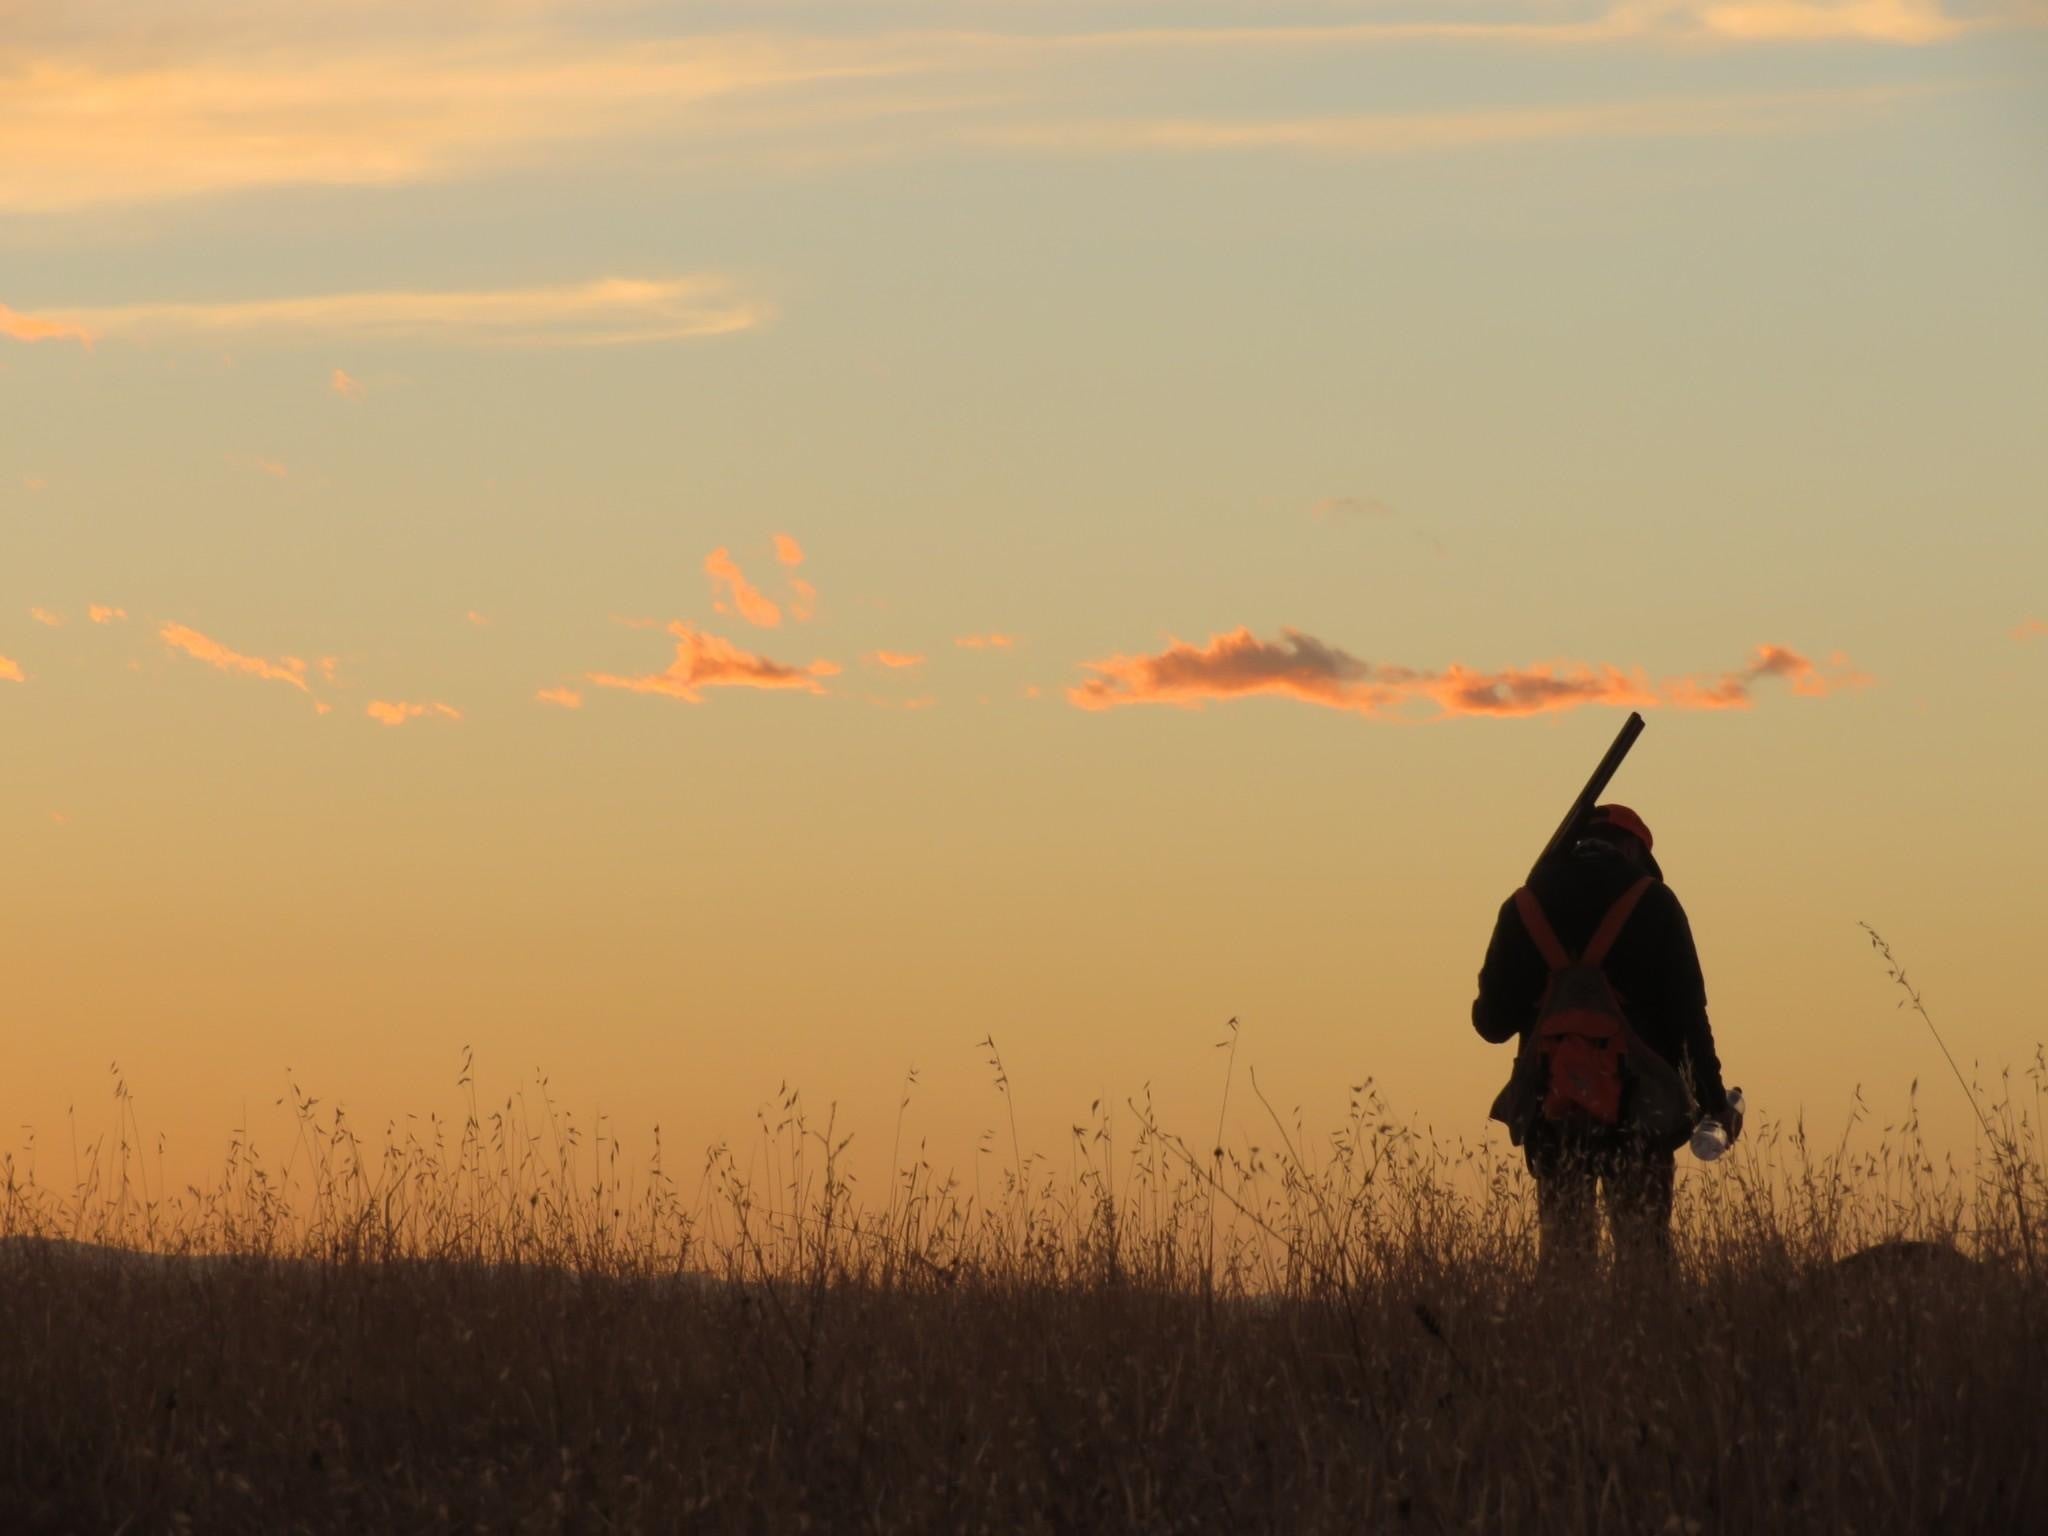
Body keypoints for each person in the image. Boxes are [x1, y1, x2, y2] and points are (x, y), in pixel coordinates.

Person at [1472, 804, 1733, 1267]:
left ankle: (1561, 1339)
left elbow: (1491, 1024)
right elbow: (1690, 1019)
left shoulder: (1523, 905)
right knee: (1644, 1263)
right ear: (1633, 848)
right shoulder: (1655, 903)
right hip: (1640, 1117)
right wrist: (1712, 1105)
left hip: (1553, 1117)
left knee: (1564, 1266)